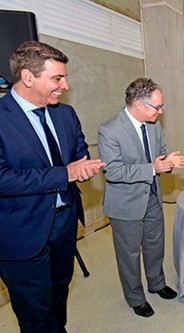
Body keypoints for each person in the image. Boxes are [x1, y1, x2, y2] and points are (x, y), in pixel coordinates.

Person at [0, 41, 105, 332]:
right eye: (57, 78)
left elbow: (78, 151)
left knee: (58, 295)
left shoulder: (65, 114)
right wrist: (64, 175)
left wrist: (82, 166)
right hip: (20, 232)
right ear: (28, 77)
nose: (65, 85)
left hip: (65, 222)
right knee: (35, 311)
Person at [98, 78, 184, 317]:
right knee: (129, 254)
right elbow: (114, 171)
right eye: (157, 107)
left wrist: (168, 162)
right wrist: (152, 168)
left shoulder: (154, 125)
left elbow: (159, 156)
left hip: (152, 196)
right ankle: (135, 297)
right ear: (138, 104)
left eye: (161, 107)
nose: (161, 111)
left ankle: (157, 283)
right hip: (125, 203)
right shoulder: (109, 130)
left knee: (154, 245)